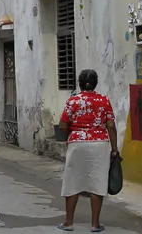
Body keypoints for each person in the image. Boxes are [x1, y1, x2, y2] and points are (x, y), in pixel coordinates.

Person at [57, 70, 118, 232]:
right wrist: (114, 149)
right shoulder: (104, 101)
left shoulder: (73, 101)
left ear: (80, 83)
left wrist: (74, 130)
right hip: (100, 144)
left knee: (72, 181)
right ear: (96, 83)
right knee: (97, 182)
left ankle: (69, 223)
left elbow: (62, 125)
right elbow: (110, 125)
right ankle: (95, 224)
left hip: (77, 144)